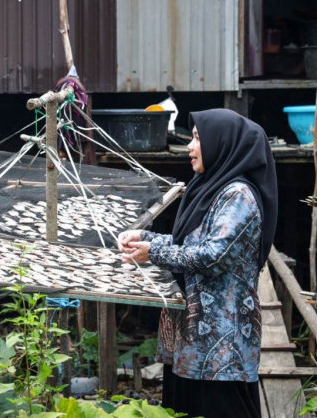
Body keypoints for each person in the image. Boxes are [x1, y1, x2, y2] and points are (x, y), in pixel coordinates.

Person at [117, 109, 277, 418]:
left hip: (222, 343)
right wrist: (144, 238)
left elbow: (212, 256)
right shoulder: (211, 189)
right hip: (194, 338)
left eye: (197, 139)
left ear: (223, 143)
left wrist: (152, 252)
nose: (190, 147)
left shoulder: (238, 195)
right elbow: (189, 245)